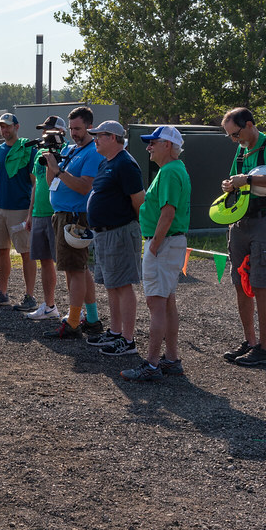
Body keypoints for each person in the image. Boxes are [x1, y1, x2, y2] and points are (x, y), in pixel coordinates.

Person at [220, 107, 266, 367]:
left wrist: (248, 178)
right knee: (241, 283)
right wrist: (229, 185)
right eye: (230, 135)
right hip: (240, 222)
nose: (233, 140)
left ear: (249, 125)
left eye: (235, 134)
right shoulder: (241, 150)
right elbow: (233, 180)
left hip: (265, 222)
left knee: (260, 284)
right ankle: (249, 342)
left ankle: (264, 348)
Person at [122, 126, 191, 382]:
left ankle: (151, 364)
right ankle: (171, 359)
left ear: (168, 146)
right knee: (166, 302)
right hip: (168, 243)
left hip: (163, 244)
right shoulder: (173, 170)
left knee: (157, 304)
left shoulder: (170, 172)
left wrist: (154, 245)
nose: (149, 147)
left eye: (154, 142)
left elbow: (168, 212)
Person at [82, 121, 145, 357]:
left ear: (113, 137)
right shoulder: (107, 162)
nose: (95, 139)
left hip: (120, 231)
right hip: (104, 232)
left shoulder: (126, 163)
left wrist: (137, 229)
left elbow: (138, 201)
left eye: (99, 135)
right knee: (112, 283)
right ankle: (116, 332)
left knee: (123, 284)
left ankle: (128, 340)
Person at [42, 107, 104, 339]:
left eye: (78, 128)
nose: (73, 133)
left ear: (89, 126)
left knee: (74, 271)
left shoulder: (92, 152)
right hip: (62, 214)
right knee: (78, 269)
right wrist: (51, 162)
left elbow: (84, 186)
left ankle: (74, 321)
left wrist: (58, 172)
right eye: (71, 128)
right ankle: (92, 318)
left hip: (75, 217)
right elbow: (51, 182)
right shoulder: (70, 148)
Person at [0, 113, 38, 309]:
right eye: (1, 126)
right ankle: (2, 293)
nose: (4, 130)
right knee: (1, 250)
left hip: (20, 207)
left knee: (26, 252)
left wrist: (31, 210)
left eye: (7, 126)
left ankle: (30, 296)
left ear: (17, 126)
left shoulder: (28, 149)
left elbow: (35, 182)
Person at [24, 116, 67, 320]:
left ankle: (79, 310)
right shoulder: (40, 152)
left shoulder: (68, 151)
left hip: (58, 212)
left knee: (68, 264)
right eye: (43, 130)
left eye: (48, 131)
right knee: (45, 261)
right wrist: (30, 212)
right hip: (40, 212)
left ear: (60, 132)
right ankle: (50, 306)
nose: (44, 134)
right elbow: (36, 184)